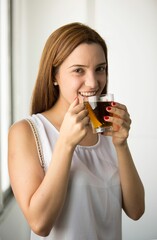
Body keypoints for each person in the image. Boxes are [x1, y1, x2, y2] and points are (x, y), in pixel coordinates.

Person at [8, 22, 145, 240]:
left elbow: (136, 210)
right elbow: (40, 225)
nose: (93, 82)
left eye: (100, 69)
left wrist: (122, 145)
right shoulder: (27, 132)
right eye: (78, 70)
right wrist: (66, 144)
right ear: (54, 75)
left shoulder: (106, 126)